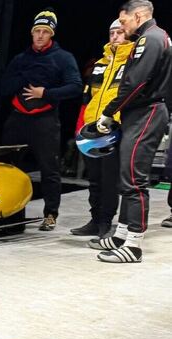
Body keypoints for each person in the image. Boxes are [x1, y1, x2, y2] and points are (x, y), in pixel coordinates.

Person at [91, 0, 172, 263]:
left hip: (146, 112)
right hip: (141, 112)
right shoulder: (155, 37)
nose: (122, 28)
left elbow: (137, 83)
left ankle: (134, 245)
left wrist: (109, 110)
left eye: (124, 22)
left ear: (138, 16)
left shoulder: (150, 39)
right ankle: (123, 233)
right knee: (127, 177)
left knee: (134, 180)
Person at [0, 10, 82, 232]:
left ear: (51, 34)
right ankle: (12, 214)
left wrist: (45, 93)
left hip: (44, 119)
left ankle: (50, 214)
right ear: (32, 33)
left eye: (45, 32)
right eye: (37, 31)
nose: (40, 36)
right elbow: (3, 87)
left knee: (49, 168)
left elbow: (74, 87)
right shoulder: (20, 59)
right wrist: (23, 78)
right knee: (9, 167)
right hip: (17, 118)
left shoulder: (63, 58)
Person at [73, 20, 131, 238]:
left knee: (109, 180)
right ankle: (95, 220)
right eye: (111, 32)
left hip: (114, 131)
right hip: (92, 130)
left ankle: (106, 223)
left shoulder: (132, 64)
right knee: (94, 179)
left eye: (119, 32)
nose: (114, 36)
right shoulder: (99, 64)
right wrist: (80, 129)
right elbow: (86, 99)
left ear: (129, 35)